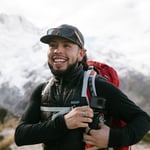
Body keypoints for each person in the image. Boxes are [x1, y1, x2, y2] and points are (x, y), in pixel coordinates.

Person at [14, 24, 150, 150]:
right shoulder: (42, 90)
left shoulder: (97, 86)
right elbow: (20, 136)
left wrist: (111, 138)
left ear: (81, 54)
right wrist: (64, 123)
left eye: (67, 45)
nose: (57, 50)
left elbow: (142, 119)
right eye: (52, 45)